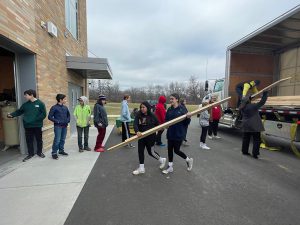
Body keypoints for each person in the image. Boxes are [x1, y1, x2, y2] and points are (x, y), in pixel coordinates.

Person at [7, 89, 47, 162]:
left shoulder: (40, 103)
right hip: (27, 126)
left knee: (39, 140)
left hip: (37, 125)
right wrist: (11, 115)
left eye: (26, 95)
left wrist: (35, 120)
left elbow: (43, 114)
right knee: (29, 141)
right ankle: (30, 154)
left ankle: (39, 152)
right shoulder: (25, 105)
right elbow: (19, 111)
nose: (25, 96)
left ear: (31, 95)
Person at [132, 101, 166, 175]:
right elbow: (135, 124)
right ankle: (141, 168)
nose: (142, 109)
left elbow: (159, 126)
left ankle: (162, 160)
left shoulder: (152, 116)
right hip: (141, 136)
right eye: (141, 107)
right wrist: (137, 131)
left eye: (144, 107)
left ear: (147, 107)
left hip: (151, 137)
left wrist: (157, 135)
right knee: (140, 151)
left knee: (151, 152)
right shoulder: (139, 115)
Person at [162, 93, 193, 174]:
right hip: (170, 133)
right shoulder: (169, 109)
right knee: (169, 150)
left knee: (176, 150)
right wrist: (166, 125)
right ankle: (170, 167)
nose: (171, 100)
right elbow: (166, 120)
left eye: (172, 99)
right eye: (170, 99)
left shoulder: (182, 109)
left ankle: (188, 160)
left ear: (177, 99)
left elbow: (187, 122)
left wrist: (188, 117)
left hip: (179, 133)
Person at [240, 91, 268, 159]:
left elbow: (247, 101)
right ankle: (255, 154)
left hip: (246, 125)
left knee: (246, 138)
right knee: (256, 139)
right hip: (254, 125)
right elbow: (262, 102)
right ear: (249, 100)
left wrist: (250, 98)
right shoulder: (253, 106)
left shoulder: (242, 107)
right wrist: (265, 94)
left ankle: (244, 151)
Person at [48, 94, 70, 160]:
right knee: (57, 140)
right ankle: (54, 153)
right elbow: (49, 117)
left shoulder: (65, 107)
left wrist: (68, 120)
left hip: (65, 126)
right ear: (60, 100)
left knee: (63, 139)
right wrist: (57, 121)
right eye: (65, 99)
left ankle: (61, 151)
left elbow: (68, 115)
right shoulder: (54, 107)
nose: (66, 100)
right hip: (58, 126)